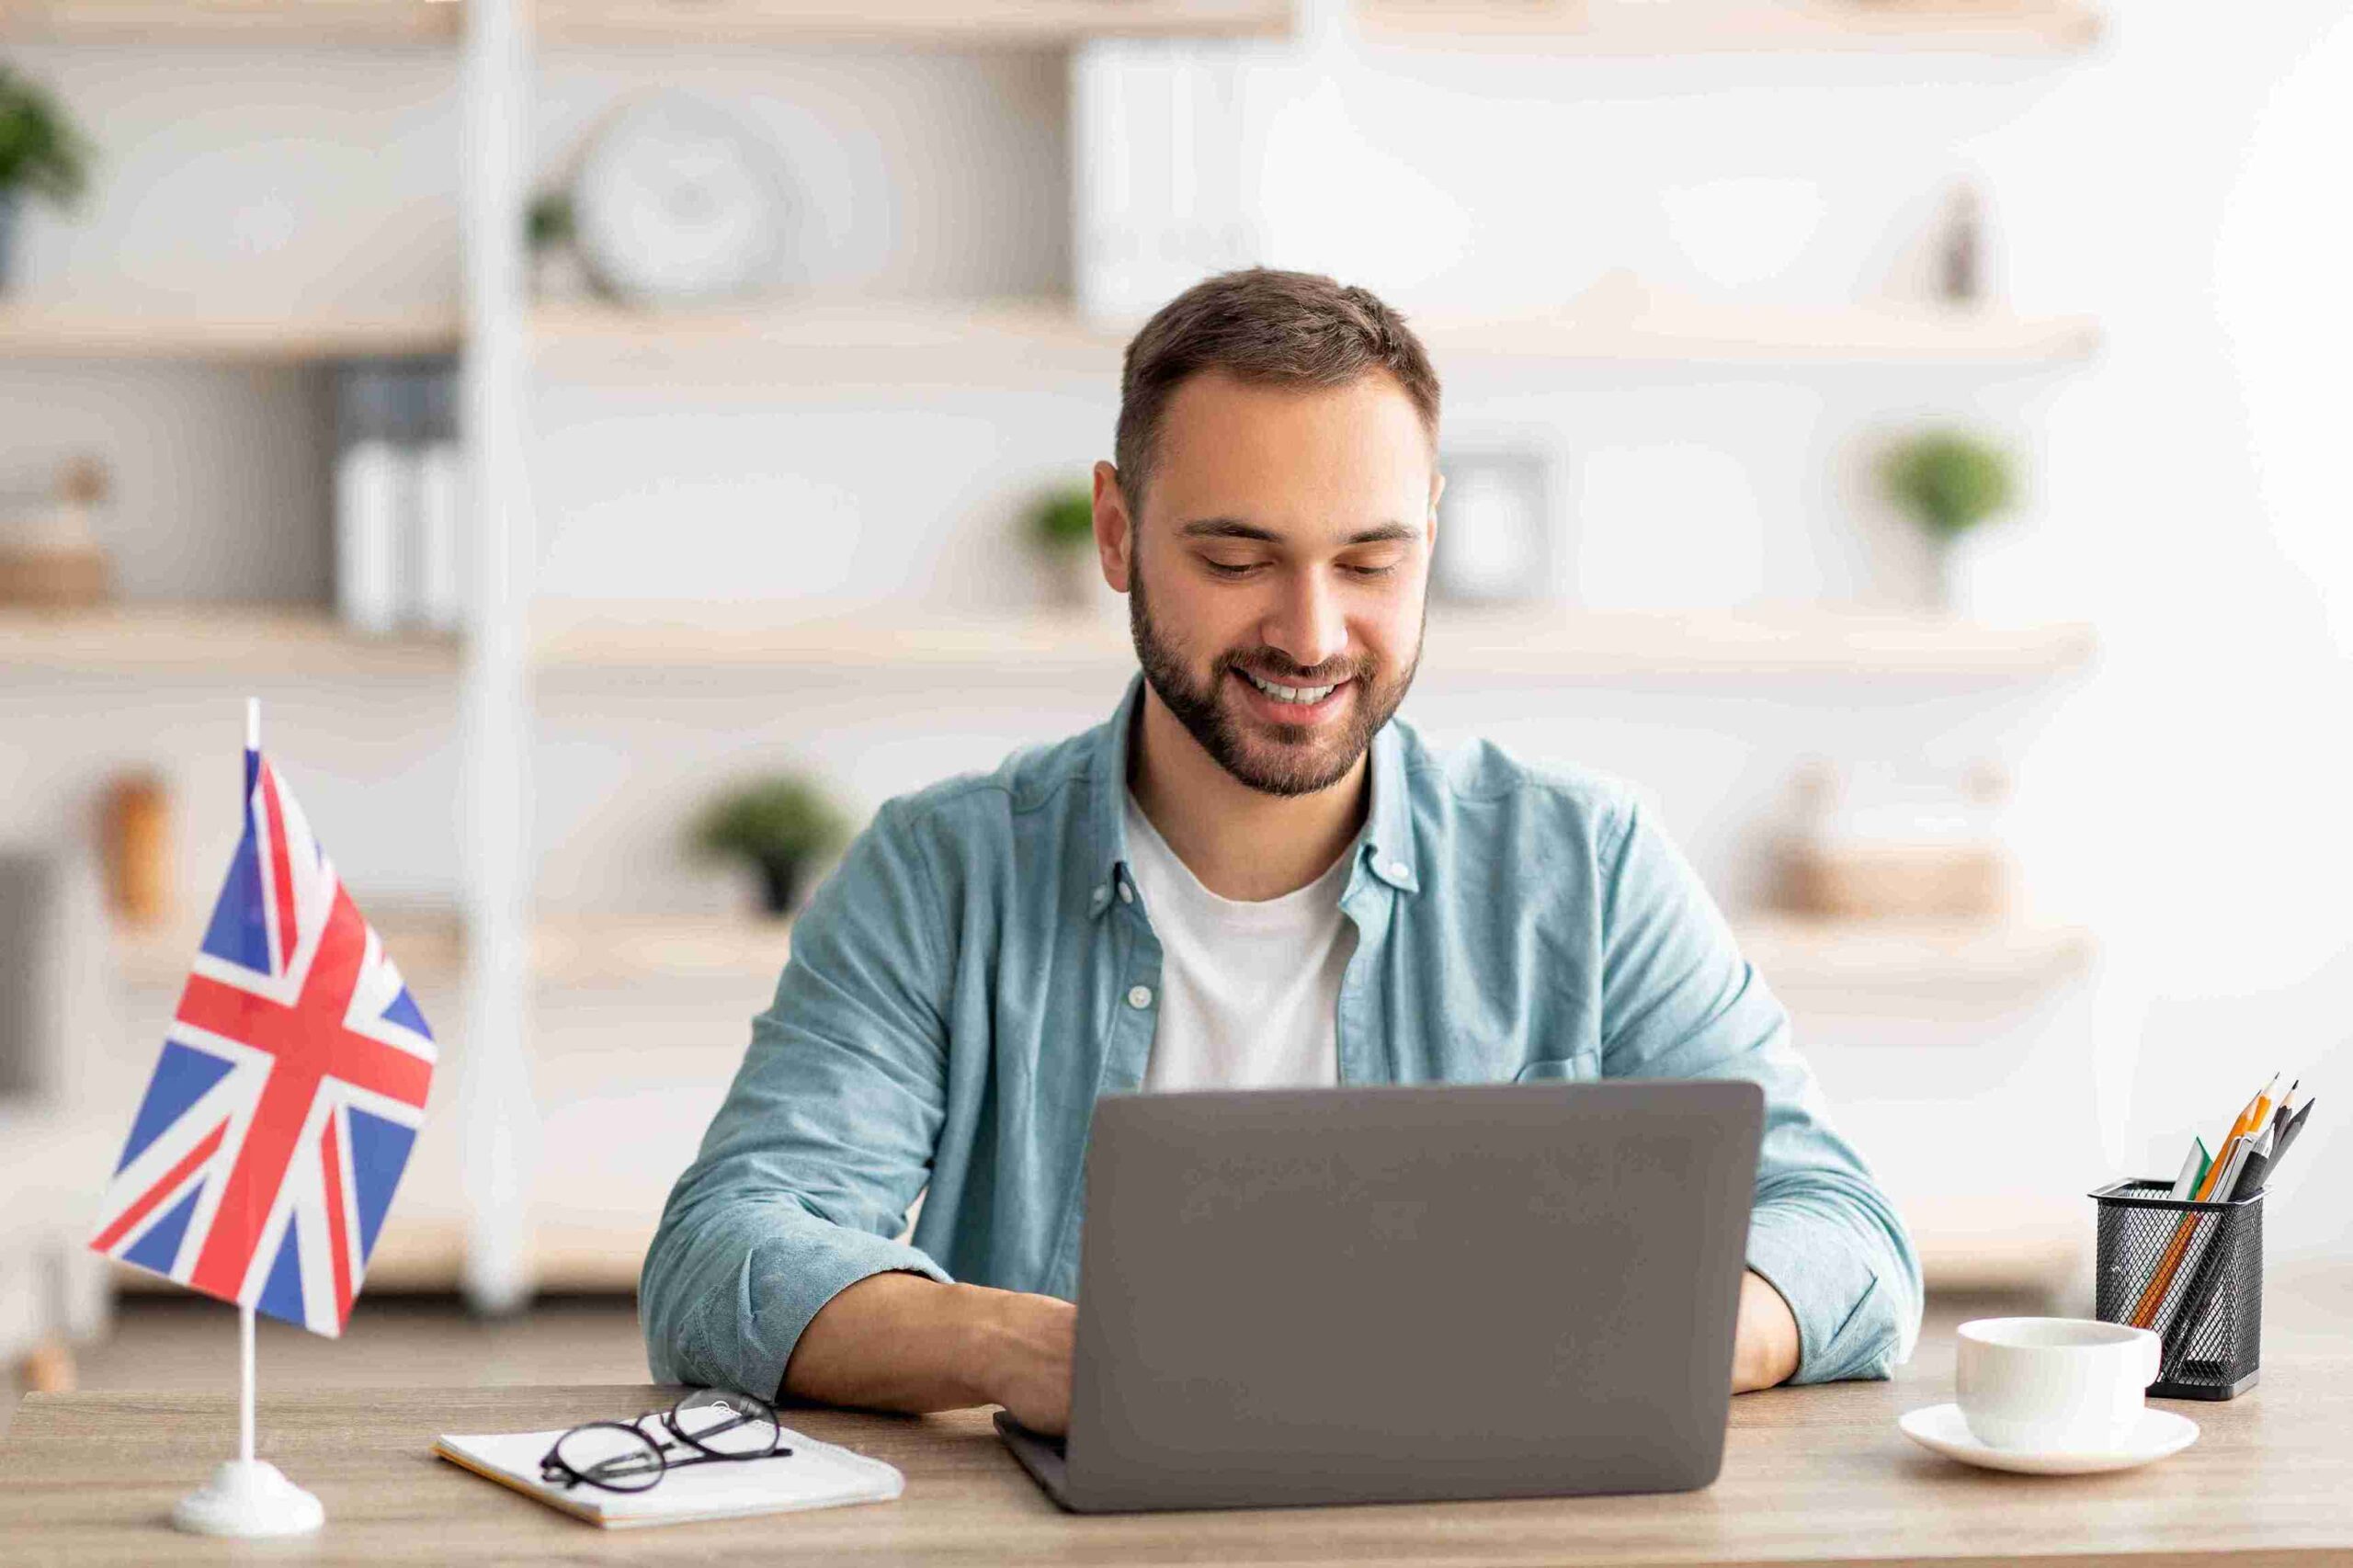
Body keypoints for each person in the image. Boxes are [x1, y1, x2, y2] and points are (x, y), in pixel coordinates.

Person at [642, 267, 1922, 1435]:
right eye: (1237, 556)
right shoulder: (939, 876)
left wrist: (1598, 1344)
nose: (1311, 634)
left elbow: (1844, 1240)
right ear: (1116, 530)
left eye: (1370, 560)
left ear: (1431, 530)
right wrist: (1027, 1348)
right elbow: (724, 1255)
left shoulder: (1585, 867)